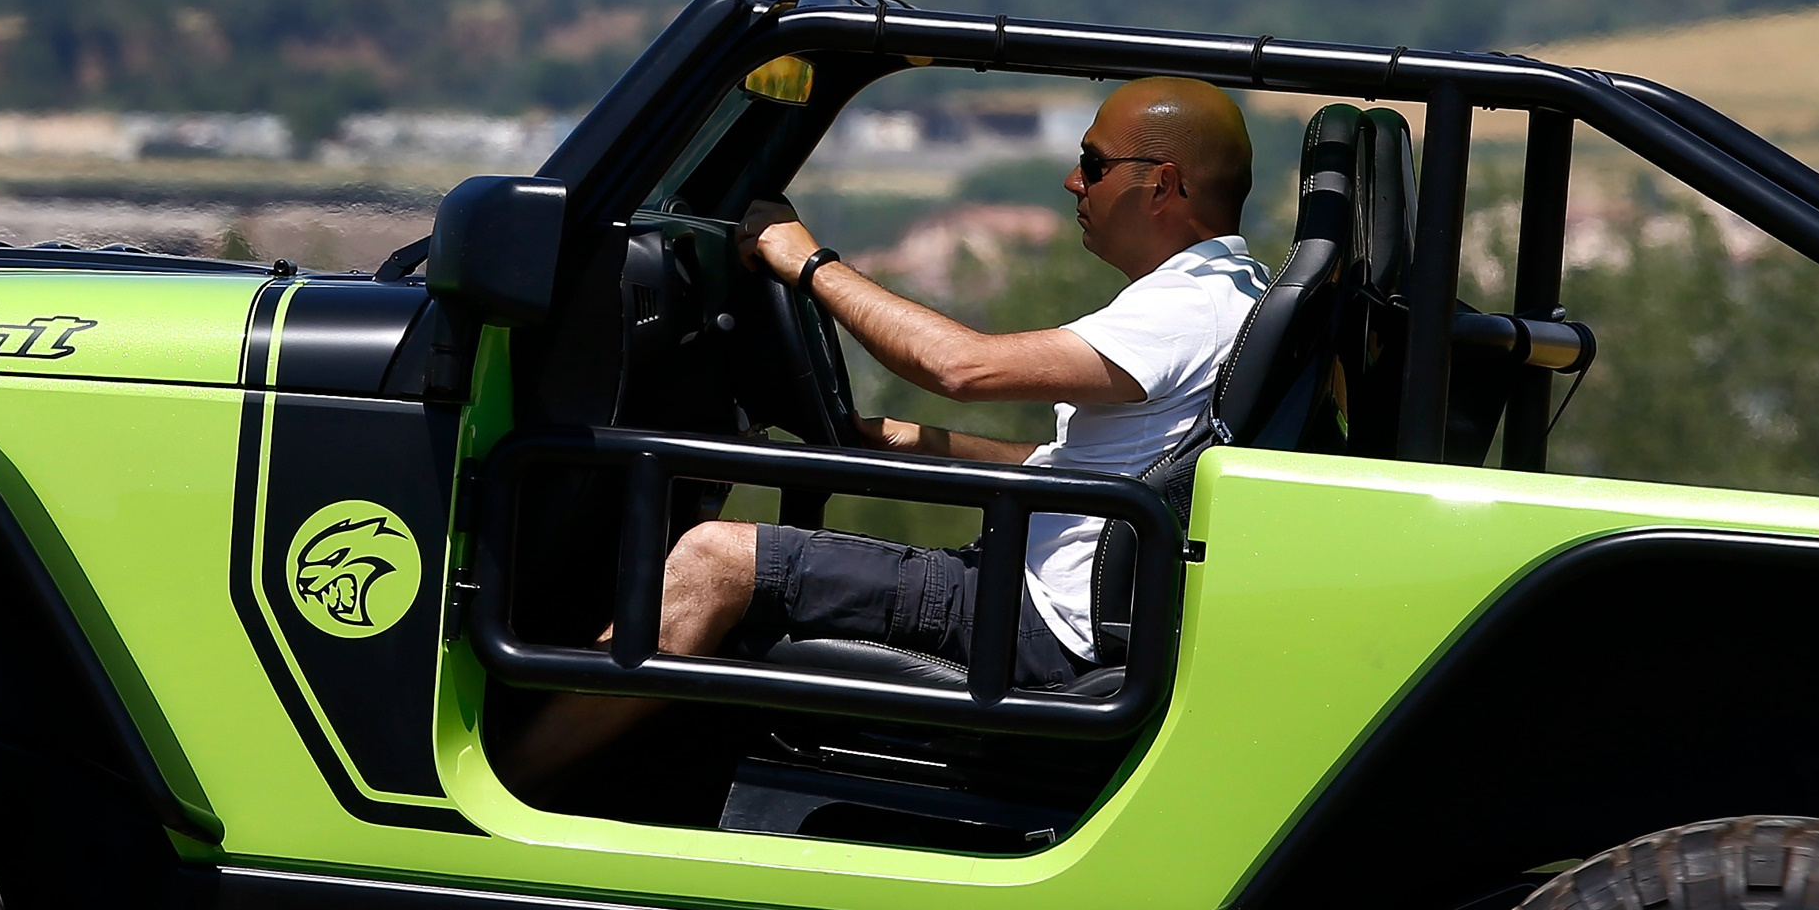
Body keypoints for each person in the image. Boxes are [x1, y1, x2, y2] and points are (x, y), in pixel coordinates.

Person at [510, 76, 1262, 782]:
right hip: (1040, 597)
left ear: (1161, 183)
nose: (1073, 182)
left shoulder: (1187, 309)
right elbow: (1092, 465)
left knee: (711, 559)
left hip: (1037, 624)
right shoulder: (1223, 291)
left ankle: (493, 797)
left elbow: (961, 368)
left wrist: (807, 262)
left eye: (1091, 163)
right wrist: (912, 440)